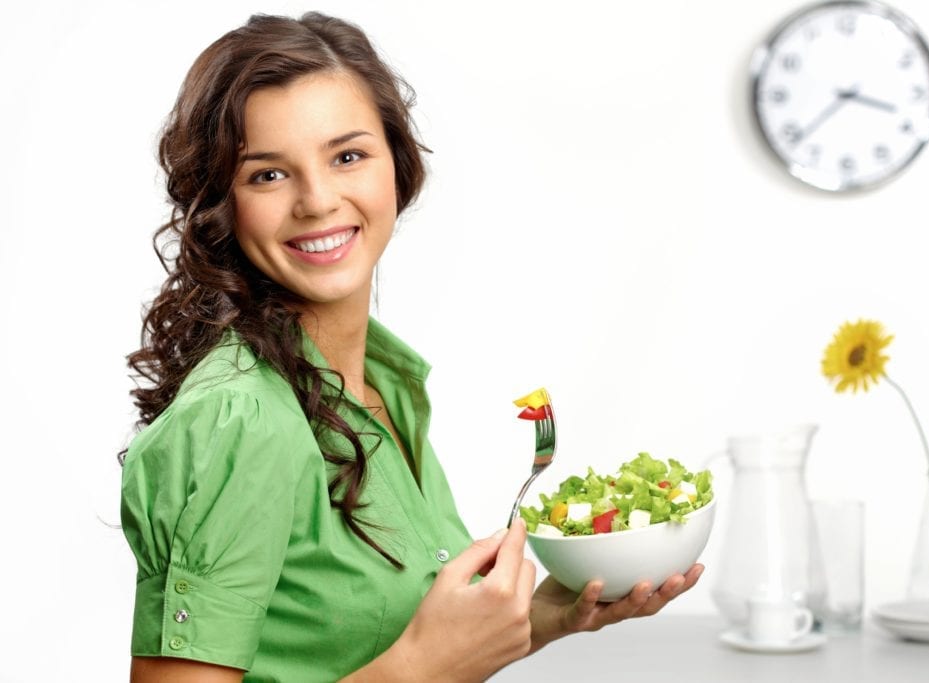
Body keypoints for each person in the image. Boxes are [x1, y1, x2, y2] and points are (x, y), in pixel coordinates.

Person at [120, 11, 704, 682]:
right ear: (221, 203)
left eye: (347, 156)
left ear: (397, 167)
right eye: (268, 175)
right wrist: (422, 667)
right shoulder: (240, 419)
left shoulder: (381, 385)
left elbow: (373, 636)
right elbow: (417, 662)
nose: (316, 200)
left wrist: (540, 617)